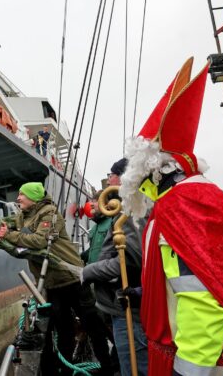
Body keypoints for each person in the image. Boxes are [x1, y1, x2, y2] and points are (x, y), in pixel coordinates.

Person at [119, 57, 223, 375]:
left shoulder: (176, 209)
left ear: (148, 170)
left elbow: (202, 303)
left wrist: (185, 372)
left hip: (206, 363)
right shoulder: (201, 195)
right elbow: (208, 276)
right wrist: (147, 293)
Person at [0, 182, 115, 376]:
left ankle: (109, 369)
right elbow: (11, 222)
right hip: (53, 284)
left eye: (21, 195)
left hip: (72, 280)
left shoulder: (49, 213)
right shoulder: (23, 216)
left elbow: (39, 240)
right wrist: (3, 226)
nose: (18, 199)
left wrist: (9, 235)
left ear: (33, 197)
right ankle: (66, 371)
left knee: (92, 325)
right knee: (64, 331)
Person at [82, 160, 149, 376]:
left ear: (122, 178)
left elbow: (131, 260)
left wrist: (87, 272)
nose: (108, 179)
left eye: (111, 174)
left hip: (128, 306)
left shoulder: (131, 211)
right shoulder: (131, 208)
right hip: (120, 302)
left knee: (134, 366)